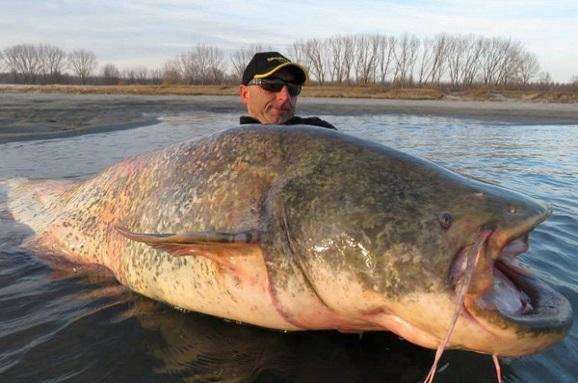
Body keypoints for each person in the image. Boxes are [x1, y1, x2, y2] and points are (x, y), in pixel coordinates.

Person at [239, 51, 336, 130]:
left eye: (293, 88)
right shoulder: (229, 145)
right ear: (245, 94)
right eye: (272, 85)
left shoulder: (321, 131)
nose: (285, 97)